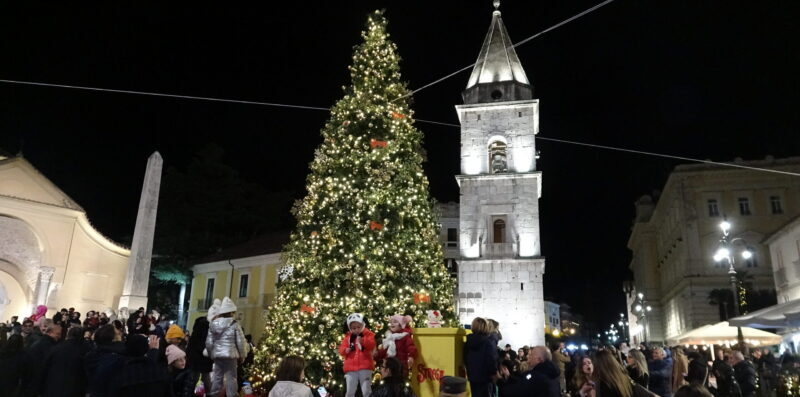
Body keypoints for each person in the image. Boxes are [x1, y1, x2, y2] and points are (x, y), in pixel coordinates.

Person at [206, 296, 249, 397]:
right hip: (230, 355)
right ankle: (231, 395)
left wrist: (211, 353)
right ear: (231, 312)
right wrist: (243, 355)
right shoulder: (235, 325)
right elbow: (240, 342)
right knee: (231, 378)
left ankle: (214, 395)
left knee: (217, 377)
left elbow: (208, 342)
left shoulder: (213, 324)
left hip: (217, 356)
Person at [38, 326, 90, 397]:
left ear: (68, 335)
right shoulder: (86, 351)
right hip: (75, 389)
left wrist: (40, 388)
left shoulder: (56, 348)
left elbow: (45, 368)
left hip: (53, 387)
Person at [339, 312, 376, 397]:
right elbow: (341, 350)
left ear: (363, 325)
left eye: (358, 327)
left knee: (366, 390)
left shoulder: (368, 335)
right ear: (350, 328)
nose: (356, 330)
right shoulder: (347, 338)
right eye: (353, 328)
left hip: (365, 366)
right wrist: (345, 350)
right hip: (350, 368)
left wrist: (363, 341)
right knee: (349, 392)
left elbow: (371, 345)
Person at [85, 324, 127, 397]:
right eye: (118, 333)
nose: (120, 334)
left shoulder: (91, 355)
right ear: (113, 338)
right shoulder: (120, 356)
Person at [463, 317, 498, 397]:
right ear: (485, 327)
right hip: (485, 378)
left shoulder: (468, 341)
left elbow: (465, 358)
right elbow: (491, 360)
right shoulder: (488, 342)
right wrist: (494, 373)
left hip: (472, 377)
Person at [187, 316, 214, 392]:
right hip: (200, 357)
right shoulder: (205, 325)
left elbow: (195, 342)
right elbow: (201, 342)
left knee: (195, 377)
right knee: (199, 377)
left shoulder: (200, 324)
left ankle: (189, 392)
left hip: (196, 356)